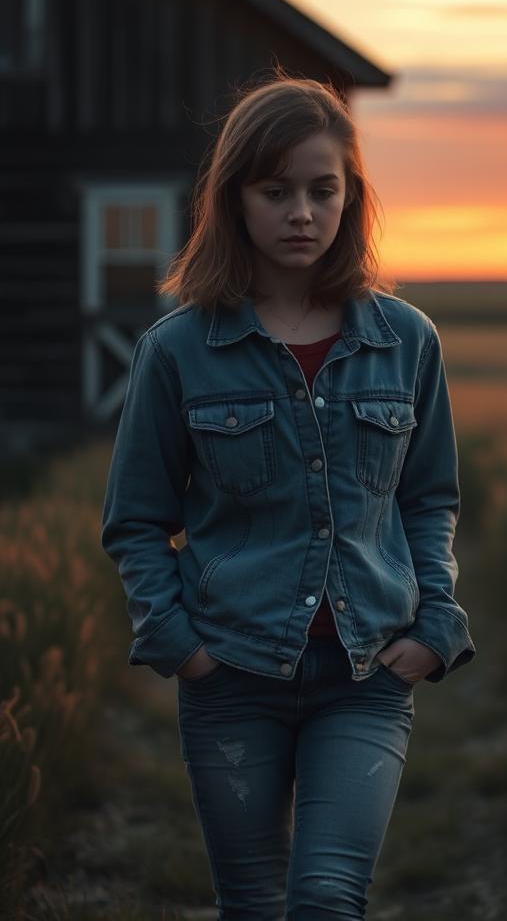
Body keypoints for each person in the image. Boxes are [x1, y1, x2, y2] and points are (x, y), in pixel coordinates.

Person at [99, 67, 476, 919]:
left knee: (326, 899)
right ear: (234, 199)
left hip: (366, 671)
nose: (301, 212)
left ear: (351, 199)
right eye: (276, 191)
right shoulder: (178, 350)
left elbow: (429, 499)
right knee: (253, 904)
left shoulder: (406, 341)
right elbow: (135, 521)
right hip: (231, 671)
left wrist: (435, 626)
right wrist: (178, 645)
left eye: (322, 190)